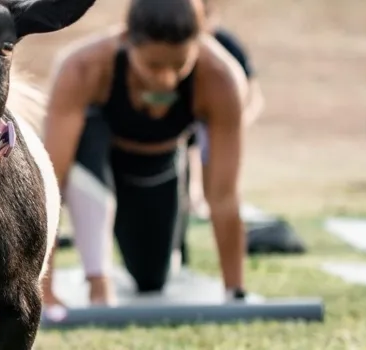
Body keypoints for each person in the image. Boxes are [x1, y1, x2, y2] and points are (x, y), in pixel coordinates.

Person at [39, 0, 250, 310]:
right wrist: (43, 290)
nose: (165, 80)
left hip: (156, 169)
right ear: (126, 40)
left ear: (199, 42)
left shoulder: (221, 79)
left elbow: (223, 195)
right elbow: (50, 184)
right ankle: (99, 283)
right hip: (97, 162)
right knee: (90, 129)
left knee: (151, 279)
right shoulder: (82, 69)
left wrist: (236, 292)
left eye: (179, 66)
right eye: (153, 66)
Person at [184, 0, 265, 221]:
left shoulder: (226, 44)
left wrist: (238, 121)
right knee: (190, 150)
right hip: (192, 118)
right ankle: (192, 198)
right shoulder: (182, 42)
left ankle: (215, 201)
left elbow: (254, 92)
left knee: (220, 164)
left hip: (220, 117)